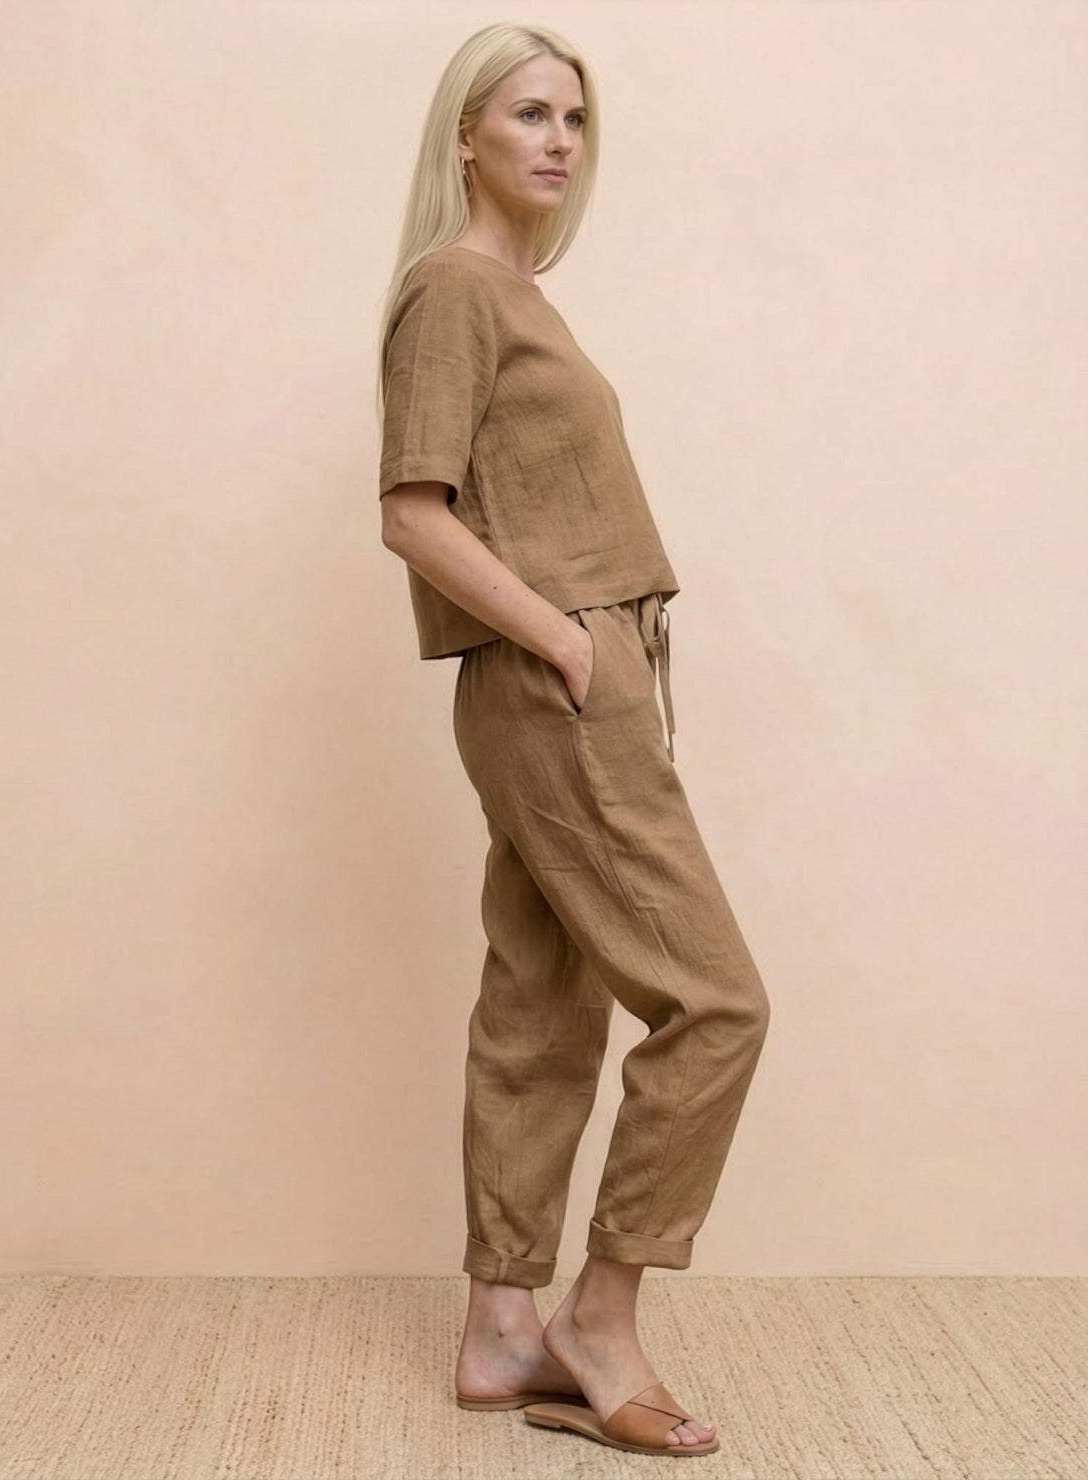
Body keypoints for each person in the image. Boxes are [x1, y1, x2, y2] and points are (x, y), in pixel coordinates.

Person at [376, 23, 771, 1457]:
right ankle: (599, 1318)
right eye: (530, 113)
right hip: (554, 673)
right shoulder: (455, 289)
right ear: (465, 134)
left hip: (567, 672)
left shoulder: (510, 293)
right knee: (715, 1003)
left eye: (576, 119)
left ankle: (502, 1330)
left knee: (544, 1001)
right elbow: (410, 510)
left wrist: (586, 651)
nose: (559, 140)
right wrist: (562, 641)